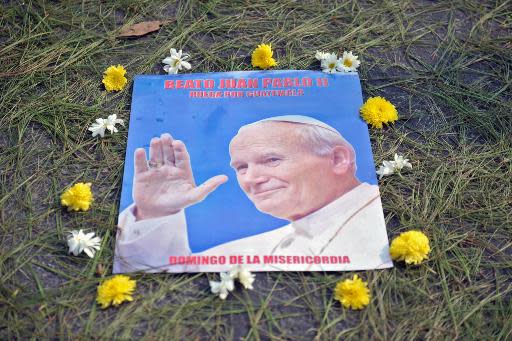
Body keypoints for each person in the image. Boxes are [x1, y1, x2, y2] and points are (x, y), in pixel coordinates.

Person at [114, 115, 392, 273]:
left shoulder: (389, 215)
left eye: (272, 160)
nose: (251, 179)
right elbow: (154, 279)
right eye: (241, 167)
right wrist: (156, 213)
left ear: (338, 160)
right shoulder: (246, 250)